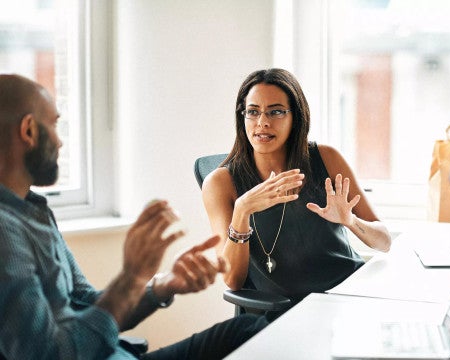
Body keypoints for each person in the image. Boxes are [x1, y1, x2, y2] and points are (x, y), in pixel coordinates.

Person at [0, 74, 267, 359]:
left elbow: (91, 306)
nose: (60, 142)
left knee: (251, 329)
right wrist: (132, 276)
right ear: (28, 131)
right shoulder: (5, 231)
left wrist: (163, 285)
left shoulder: (34, 210)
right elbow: (49, 355)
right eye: (54, 125)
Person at [201, 68, 392, 317]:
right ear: (242, 117)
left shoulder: (327, 158)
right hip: (286, 312)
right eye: (253, 111)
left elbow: (384, 242)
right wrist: (242, 210)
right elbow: (232, 280)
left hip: (348, 298)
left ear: (296, 117)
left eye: (276, 111)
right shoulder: (221, 183)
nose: (263, 122)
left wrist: (351, 221)